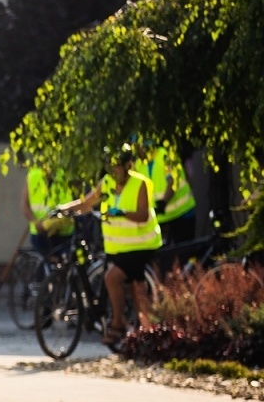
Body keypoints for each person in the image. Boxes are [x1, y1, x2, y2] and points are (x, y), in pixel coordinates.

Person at [60, 144, 162, 348]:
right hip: (118, 248)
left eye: (117, 167)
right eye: (111, 167)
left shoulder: (140, 183)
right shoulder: (106, 182)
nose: (113, 171)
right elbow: (87, 203)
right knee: (136, 290)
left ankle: (118, 324)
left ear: (128, 165)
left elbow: (142, 215)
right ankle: (147, 332)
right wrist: (63, 209)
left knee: (111, 278)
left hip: (140, 246)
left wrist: (121, 213)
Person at [147, 144, 197, 248]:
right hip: (162, 217)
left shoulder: (165, 155)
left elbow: (172, 181)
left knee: (185, 252)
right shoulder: (140, 163)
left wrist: (163, 202)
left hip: (182, 211)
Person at [21, 161, 74, 258]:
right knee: (45, 265)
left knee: (65, 264)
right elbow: (25, 205)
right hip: (41, 231)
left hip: (63, 231)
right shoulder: (33, 175)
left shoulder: (65, 175)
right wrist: (35, 222)